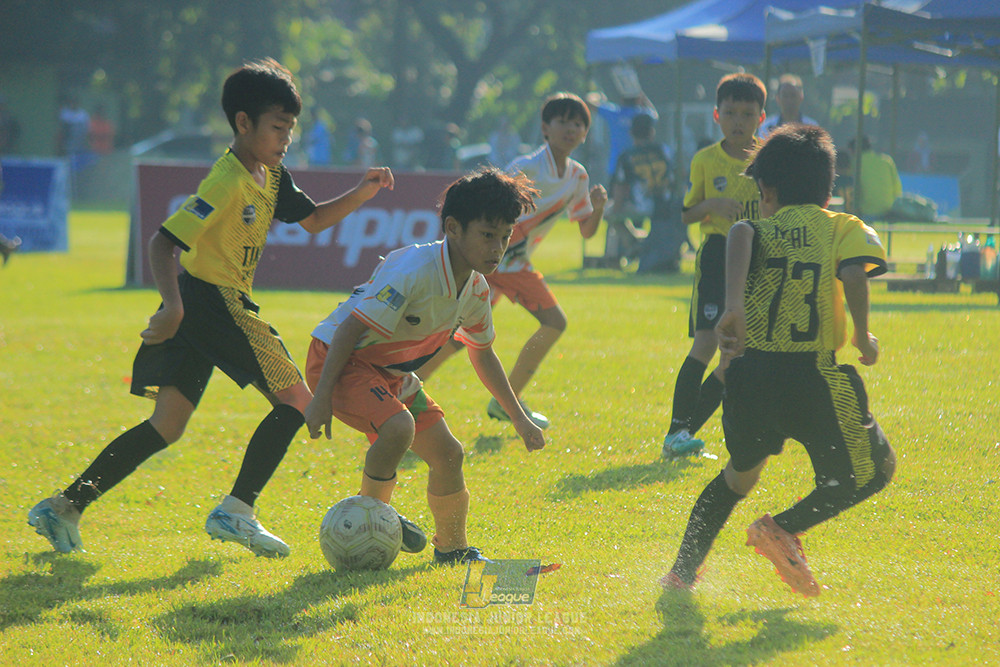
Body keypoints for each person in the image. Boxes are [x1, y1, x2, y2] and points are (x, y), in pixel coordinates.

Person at [27, 58, 395, 557]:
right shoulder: (226, 181)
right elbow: (162, 243)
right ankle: (237, 509)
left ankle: (64, 506)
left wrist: (363, 191)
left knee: (167, 425)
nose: (286, 138)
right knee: (298, 403)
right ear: (243, 123)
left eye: (291, 128)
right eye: (277, 127)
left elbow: (311, 221)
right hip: (214, 302)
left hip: (204, 303)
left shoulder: (272, 172)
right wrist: (173, 307)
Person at [662, 124, 895, 596]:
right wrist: (863, 334)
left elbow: (742, 233)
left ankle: (680, 574)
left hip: (752, 379)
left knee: (737, 477)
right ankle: (784, 527)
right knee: (874, 470)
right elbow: (854, 272)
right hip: (813, 377)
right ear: (828, 189)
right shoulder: (842, 225)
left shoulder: (755, 229)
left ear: (766, 191)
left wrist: (733, 304)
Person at [303, 168, 545, 565]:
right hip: (338, 360)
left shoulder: (476, 289)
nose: (498, 247)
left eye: (505, 236)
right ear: (453, 228)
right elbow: (349, 331)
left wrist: (519, 418)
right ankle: (370, 516)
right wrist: (321, 397)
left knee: (449, 453)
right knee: (399, 426)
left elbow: (481, 353)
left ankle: (452, 550)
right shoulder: (414, 271)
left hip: (389, 373)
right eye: (487, 235)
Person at [418, 93, 607, 429]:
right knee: (554, 322)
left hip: (504, 262)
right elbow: (490, 206)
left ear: (585, 134)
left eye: (579, 124)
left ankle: (404, 388)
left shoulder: (578, 176)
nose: (572, 128)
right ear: (546, 128)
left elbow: (587, 231)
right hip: (501, 261)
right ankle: (506, 401)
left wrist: (599, 206)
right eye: (563, 121)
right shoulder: (527, 167)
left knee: (458, 336)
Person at [662, 73, 766, 458]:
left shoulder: (768, 159)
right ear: (716, 115)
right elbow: (688, 213)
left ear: (761, 117)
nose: (739, 120)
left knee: (736, 352)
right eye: (731, 112)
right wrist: (712, 206)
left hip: (758, 261)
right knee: (706, 343)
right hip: (717, 256)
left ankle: (683, 435)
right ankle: (677, 431)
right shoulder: (706, 159)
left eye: (748, 113)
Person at [608, 113, 682, 273]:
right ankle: (639, 243)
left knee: (607, 211)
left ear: (631, 133)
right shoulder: (664, 150)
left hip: (642, 205)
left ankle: (633, 243)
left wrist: (616, 210)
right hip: (668, 204)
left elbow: (620, 187)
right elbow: (677, 176)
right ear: (652, 132)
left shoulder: (627, 155)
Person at [850, 135, 902, 220]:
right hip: (888, 211)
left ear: (853, 150)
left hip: (866, 212)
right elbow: (897, 188)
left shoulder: (855, 162)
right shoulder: (887, 161)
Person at [757, 74, 818, 139]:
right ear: (777, 98)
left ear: (801, 97)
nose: (789, 100)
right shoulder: (767, 127)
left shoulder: (811, 127)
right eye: (785, 96)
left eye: (793, 95)